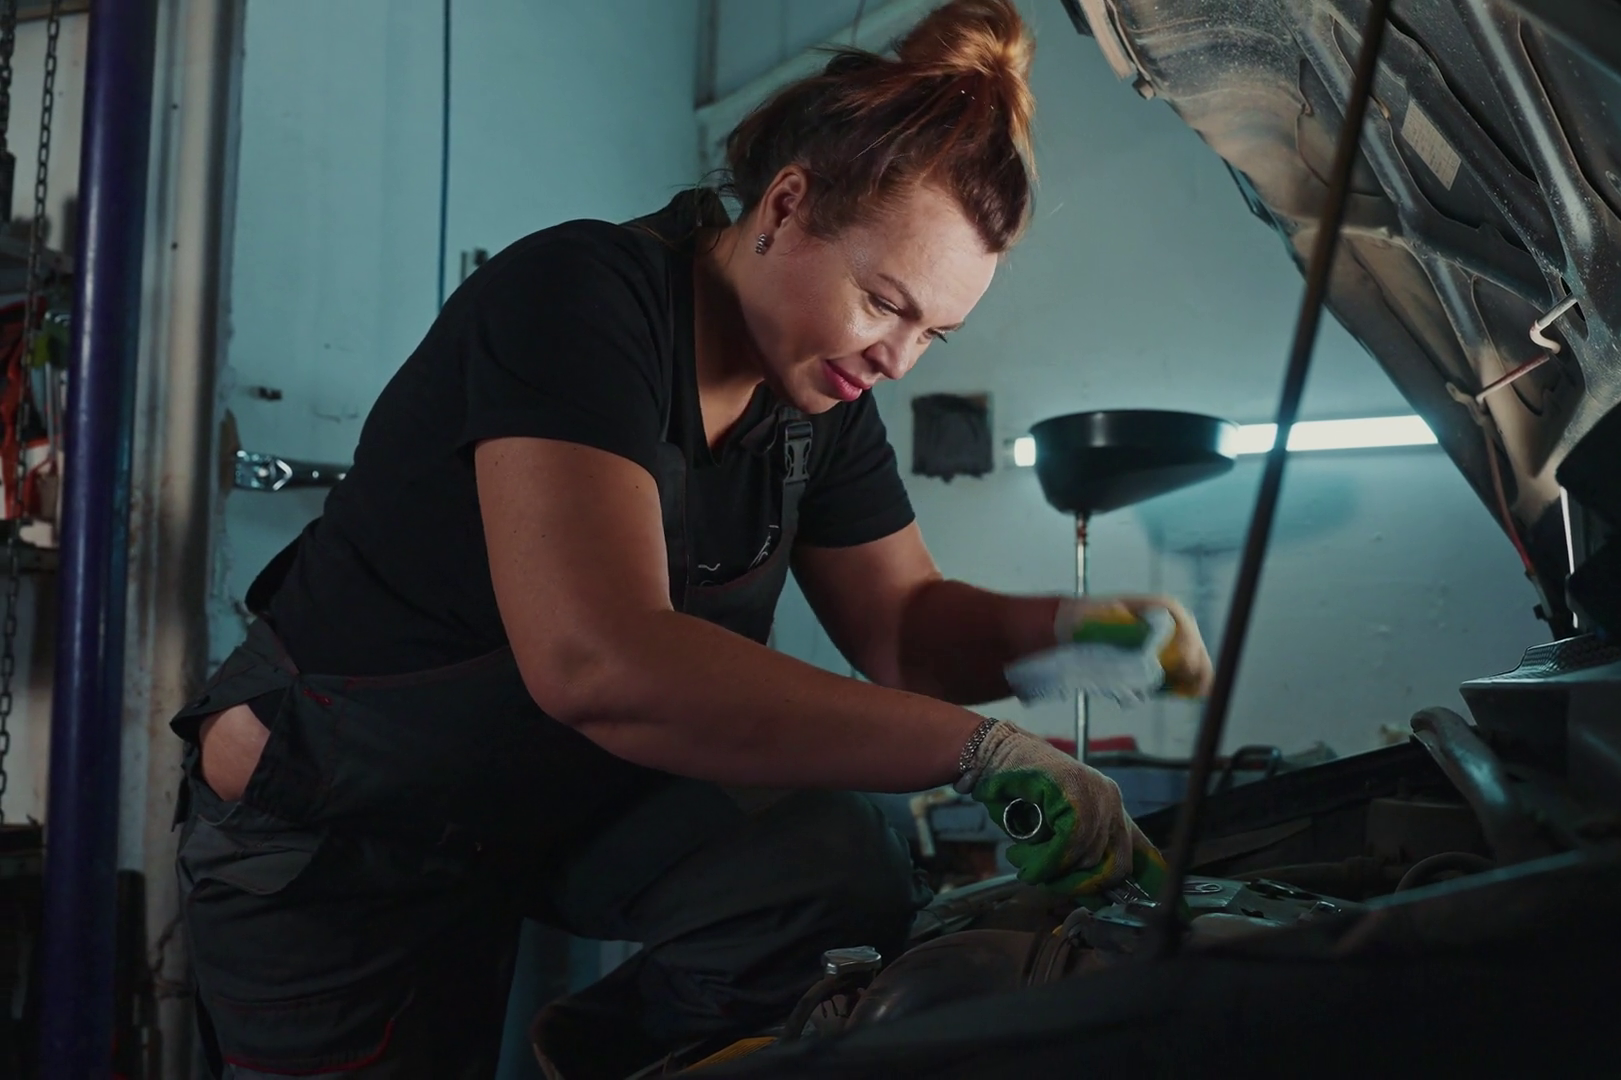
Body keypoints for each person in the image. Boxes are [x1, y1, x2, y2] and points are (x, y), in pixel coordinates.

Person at [172, 2, 1212, 1076]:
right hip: (338, 833)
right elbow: (600, 662)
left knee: (826, 866)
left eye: (932, 335)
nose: (898, 360)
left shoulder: (819, 403)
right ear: (787, 206)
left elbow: (904, 629)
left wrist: (1080, 635)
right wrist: (979, 750)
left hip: (521, 809)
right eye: (881, 302)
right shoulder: (581, 298)